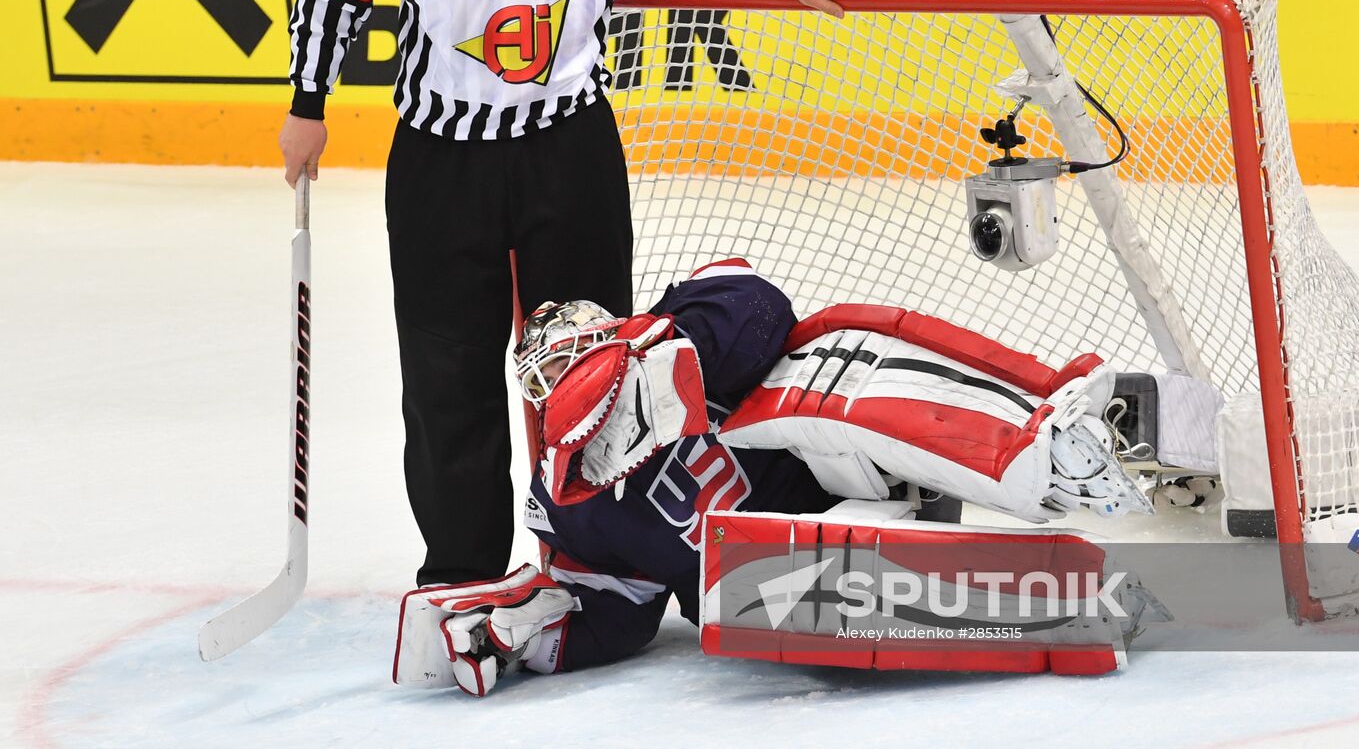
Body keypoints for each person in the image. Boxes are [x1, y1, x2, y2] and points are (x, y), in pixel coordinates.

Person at [278, 0, 880, 588]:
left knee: (600, 368)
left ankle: (598, 562)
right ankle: (462, 572)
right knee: (448, 369)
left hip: (567, 150)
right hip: (442, 164)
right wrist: (308, 103)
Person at [392, 258, 1157, 696]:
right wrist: (535, 637)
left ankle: (1051, 434)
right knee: (765, 602)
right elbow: (620, 613)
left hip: (855, 468)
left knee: (816, 377)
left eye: (570, 359)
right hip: (790, 573)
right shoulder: (567, 504)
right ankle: (1059, 612)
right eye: (546, 375)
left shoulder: (677, 320)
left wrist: (671, 358)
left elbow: (764, 307)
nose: (561, 381)